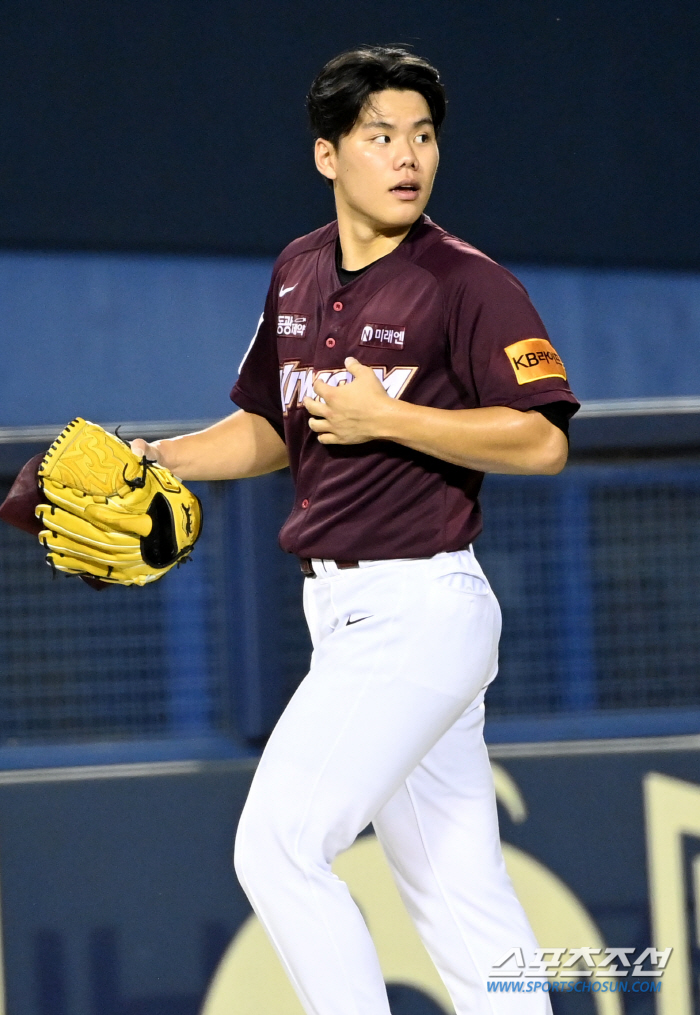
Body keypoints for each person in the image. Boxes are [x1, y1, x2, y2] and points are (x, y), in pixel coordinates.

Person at [132, 45, 579, 1015]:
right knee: (461, 899)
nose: (408, 155)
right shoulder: (296, 269)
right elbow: (267, 424)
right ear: (328, 154)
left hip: (418, 603)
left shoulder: (466, 283)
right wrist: (163, 458)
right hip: (344, 613)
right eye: (381, 136)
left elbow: (541, 441)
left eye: (422, 135)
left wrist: (394, 419)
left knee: (278, 846)